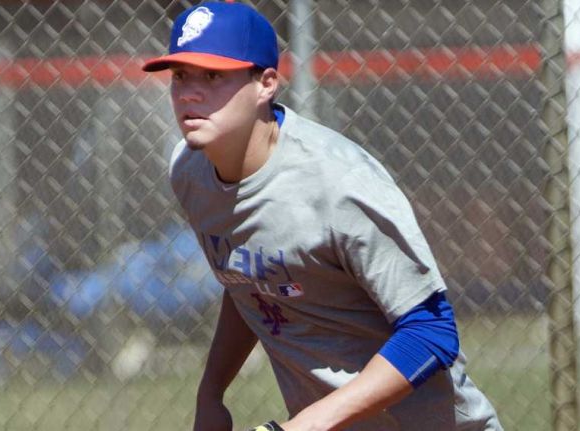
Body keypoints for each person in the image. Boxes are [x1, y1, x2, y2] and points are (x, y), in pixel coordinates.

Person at [142, 2, 502, 430]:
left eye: (213, 75)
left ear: (266, 84)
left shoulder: (338, 184)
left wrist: (304, 426)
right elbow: (250, 282)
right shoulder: (190, 172)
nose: (189, 92)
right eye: (180, 75)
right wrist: (211, 394)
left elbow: (431, 333)